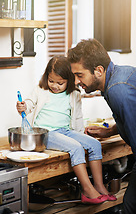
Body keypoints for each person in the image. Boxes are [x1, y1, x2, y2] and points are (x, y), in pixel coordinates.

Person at [16, 56, 116, 204]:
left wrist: (81, 135)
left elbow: (77, 118)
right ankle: (87, 190)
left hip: (65, 131)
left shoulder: (74, 94)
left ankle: (99, 186)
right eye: (51, 81)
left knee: (94, 145)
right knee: (76, 148)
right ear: (46, 77)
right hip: (46, 133)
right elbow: (29, 104)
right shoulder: (41, 90)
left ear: (69, 80)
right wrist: (23, 106)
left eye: (60, 83)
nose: (55, 86)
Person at [67, 38, 136, 213]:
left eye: (79, 75)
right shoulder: (119, 76)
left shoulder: (117, 90)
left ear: (98, 70)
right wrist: (110, 131)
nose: (76, 82)